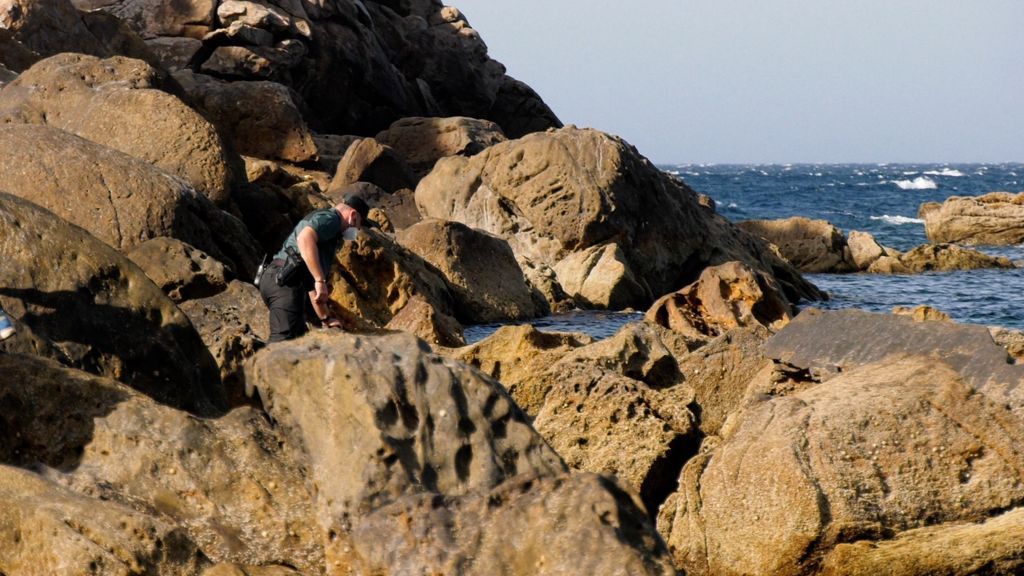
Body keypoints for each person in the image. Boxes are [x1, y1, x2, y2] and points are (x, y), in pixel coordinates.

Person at [259, 194, 370, 342]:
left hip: (281, 280)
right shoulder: (333, 219)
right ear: (353, 215)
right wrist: (320, 280)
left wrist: (325, 318)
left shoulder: (329, 233)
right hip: (284, 282)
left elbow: (312, 287)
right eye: (358, 225)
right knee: (282, 342)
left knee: (298, 343)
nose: (357, 230)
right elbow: (304, 238)